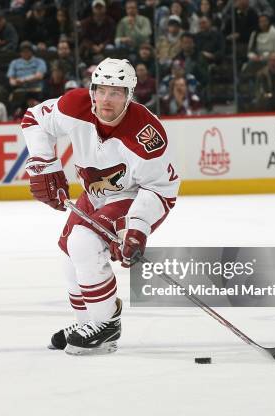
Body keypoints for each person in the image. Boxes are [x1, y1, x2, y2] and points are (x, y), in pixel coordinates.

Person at [21, 58, 179, 355]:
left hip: (136, 195)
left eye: (116, 92)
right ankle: (87, 325)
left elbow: (160, 188)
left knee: (83, 241)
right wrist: (43, 164)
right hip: (95, 193)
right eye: (101, 90)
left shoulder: (145, 134)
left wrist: (137, 227)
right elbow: (33, 119)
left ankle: (106, 326)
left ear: (129, 96)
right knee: (70, 252)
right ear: (92, 90)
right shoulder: (74, 105)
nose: (106, 99)